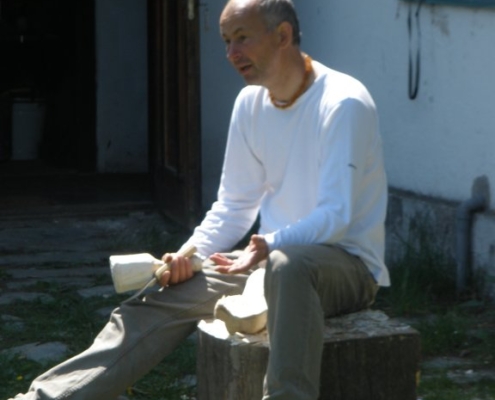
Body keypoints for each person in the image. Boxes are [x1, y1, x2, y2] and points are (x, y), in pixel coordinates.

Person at [9, 0, 390, 399]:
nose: (231, 53)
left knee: (287, 266)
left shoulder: (343, 101)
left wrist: (268, 245)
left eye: (242, 38)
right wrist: (186, 256)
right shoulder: (250, 103)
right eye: (226, 41)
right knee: (158, 299)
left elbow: (336, 216)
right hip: (265, 263)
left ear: (283, 35)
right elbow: (233, 207)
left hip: (345, 266)